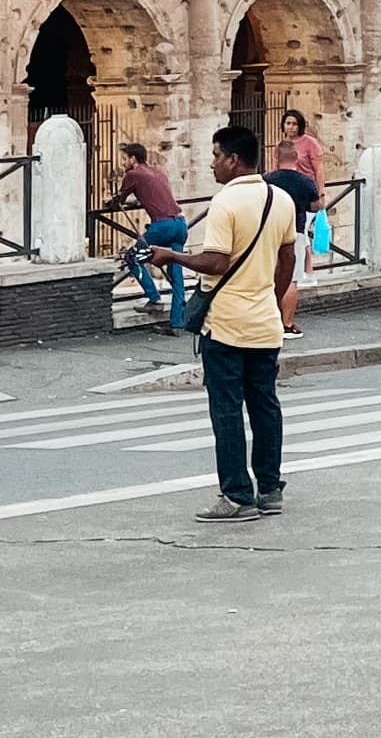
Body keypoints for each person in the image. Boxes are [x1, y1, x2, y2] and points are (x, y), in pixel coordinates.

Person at [145, 124, 297, 522]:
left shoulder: (225, 202)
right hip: (265, 321)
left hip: (227, 324)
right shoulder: (280, 199)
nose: (212, 164)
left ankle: (236, 495)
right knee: (265, 405)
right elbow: (288, 260)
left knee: (227, 410)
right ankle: (269, 487)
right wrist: (270, 296)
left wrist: (171, 256)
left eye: (215, 156)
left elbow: (216, 261)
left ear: (232, 159)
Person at [115, 141, 188, 334]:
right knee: (176, 273)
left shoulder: (133, 174)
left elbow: (118, 200)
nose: (122, 164)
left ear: (133, 159)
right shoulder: (159, 173)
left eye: (124, 159)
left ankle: (154, 298)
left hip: (162, 226)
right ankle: (177, 322)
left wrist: (113, 200)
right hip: (181, 223)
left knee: (133, 257)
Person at [264, 137, 321, 340]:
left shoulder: (267, 180)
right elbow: (316, 206)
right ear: (296, 158)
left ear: (276, 156)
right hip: (295, 231)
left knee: (269, 277)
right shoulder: (305, 181)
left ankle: (269, 321)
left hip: (269, 233)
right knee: (291, 279)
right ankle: (286, 324)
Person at [276, 109, 324, 284]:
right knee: (292, 233)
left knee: (301, 231)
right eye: (288, 123)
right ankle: (296, 270)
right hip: (287, 192)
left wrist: (321, 193)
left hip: (306, 191)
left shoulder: (310, 143)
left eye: (294, 123)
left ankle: (309, 271)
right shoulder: (282, 144)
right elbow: (277, 166)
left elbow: (319, 169)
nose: (291, 127)